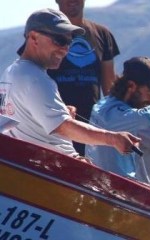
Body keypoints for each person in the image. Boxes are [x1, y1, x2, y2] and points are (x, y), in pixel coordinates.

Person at [1, 8, 139, 159]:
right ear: (34, 37)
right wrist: (113, 139)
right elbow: (63, 127)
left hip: (33, 164)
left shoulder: (11, 72)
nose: (65, 49)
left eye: (69, 42)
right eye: (59, 41)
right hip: (57, 169)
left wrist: (60, 111)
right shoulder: (35, 78)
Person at [48, 0, 120, 155]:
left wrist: (115, 121)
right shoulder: (44, 34)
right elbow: (31, 74)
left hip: (92, 127)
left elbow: (109, 86)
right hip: (55, 125)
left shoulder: (102, 34)